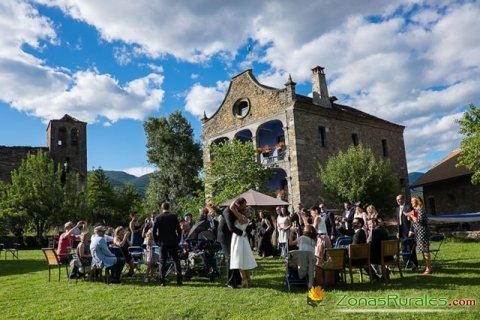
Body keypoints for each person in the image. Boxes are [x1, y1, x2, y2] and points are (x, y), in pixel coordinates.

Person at [217, 197, 246, 288]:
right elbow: (231, 227)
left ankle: (237, 280)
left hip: (232, 236)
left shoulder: (235, 210)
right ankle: (230, 282)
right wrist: (242, 233)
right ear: (238, 205)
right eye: (244, 205)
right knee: (229, 258)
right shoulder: (227, 211)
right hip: (224, 237)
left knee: (235, 256)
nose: (245, 207)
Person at [153, 202, 183, 286]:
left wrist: (157, 241)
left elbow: (154, 231)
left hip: (163, 242)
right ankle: (179, 280)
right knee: (176, 260)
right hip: (173, 241)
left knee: (162, 261)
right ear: (169, 208)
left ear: (161, 208)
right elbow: (179, 230)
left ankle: (162, 281)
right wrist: (178, 239)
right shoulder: (173, 217)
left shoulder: (158, 218)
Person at [229, 205, 257, 288]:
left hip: (238, 239)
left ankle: (244, 281)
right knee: (243, 260)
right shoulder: (248, 219)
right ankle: (248, 280)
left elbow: (232, 208)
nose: (246, 212)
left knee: (239, 260)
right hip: (242, 239)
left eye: (247, 211)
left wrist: (236, 203)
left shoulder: (242, 218)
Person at [407, 196, 432, 275]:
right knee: (422, 250)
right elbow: (415, 222)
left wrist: (411, 216)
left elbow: (419, 221)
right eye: (411, 201)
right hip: (418, 232)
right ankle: (427, 267)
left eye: (413, 201)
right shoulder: (416, 210)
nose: (411, 203)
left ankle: (428, 269)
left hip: (422, 232)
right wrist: (410, 218)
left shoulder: (420, 210)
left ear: (417, 201)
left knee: (425, 250)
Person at [395, 194, 418, 269]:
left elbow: (412, 220)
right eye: (397, 200)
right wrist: (398, 231)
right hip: (401, 231)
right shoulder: (397, 209)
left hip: (408, 230)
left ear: (403, 199)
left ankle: (414, 264)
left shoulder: (408, 207)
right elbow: (398, 221)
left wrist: (411, 230)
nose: (398, 201)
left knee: (410, 248)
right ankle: (407, 263)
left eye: (400, 199)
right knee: (403, 248)